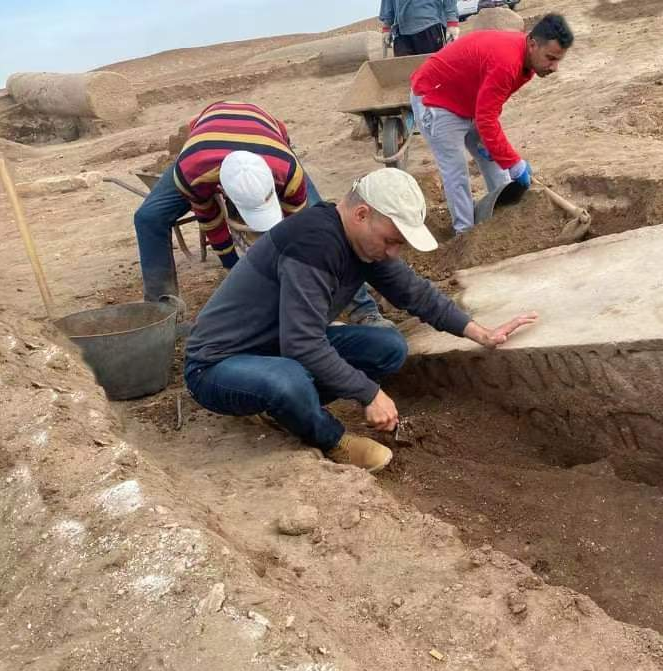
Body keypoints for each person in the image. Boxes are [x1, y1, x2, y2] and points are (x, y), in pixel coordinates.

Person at [184, 168, 537, 472]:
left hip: (276, 349)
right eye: (391, 240)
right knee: (288, 379)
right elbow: (302, 343)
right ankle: (331, 439)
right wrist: (370, 394)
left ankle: (285, 407)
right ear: (362, 214)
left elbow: (414, 292)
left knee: (389, 347)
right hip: (217, 366)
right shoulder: (313, 245)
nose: (393, 252)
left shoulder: (362, 243)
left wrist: (479, 333)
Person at [133, 100, 389, 326]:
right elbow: (210, 221)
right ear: (222, 190)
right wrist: (234, 267)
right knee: (147, 218)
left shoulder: (288, 171)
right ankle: (162, 313)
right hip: (205, 145)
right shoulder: (192, 173)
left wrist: (295, 277)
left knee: (324, 224)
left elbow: (301, 230)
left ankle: (364, 309)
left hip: (267, 135)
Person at [410, 13, 574, 234]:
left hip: (468, 100)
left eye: (558, 60)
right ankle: (465, 233)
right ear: (533, 44)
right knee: (456, 171)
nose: (554, 68)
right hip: (435, 97)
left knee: (496, 161)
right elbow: (487, 119)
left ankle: (506, 217)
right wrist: (515, 162)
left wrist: (501, 154)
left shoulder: (527, 62)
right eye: (551, 58)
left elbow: (489, 109)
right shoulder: (507, 62)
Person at [380, 0, 460, 57]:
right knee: (404, 73)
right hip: (401, 32)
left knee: (433, 70)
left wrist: (452, 21)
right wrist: (386, 26)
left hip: (429, 25)